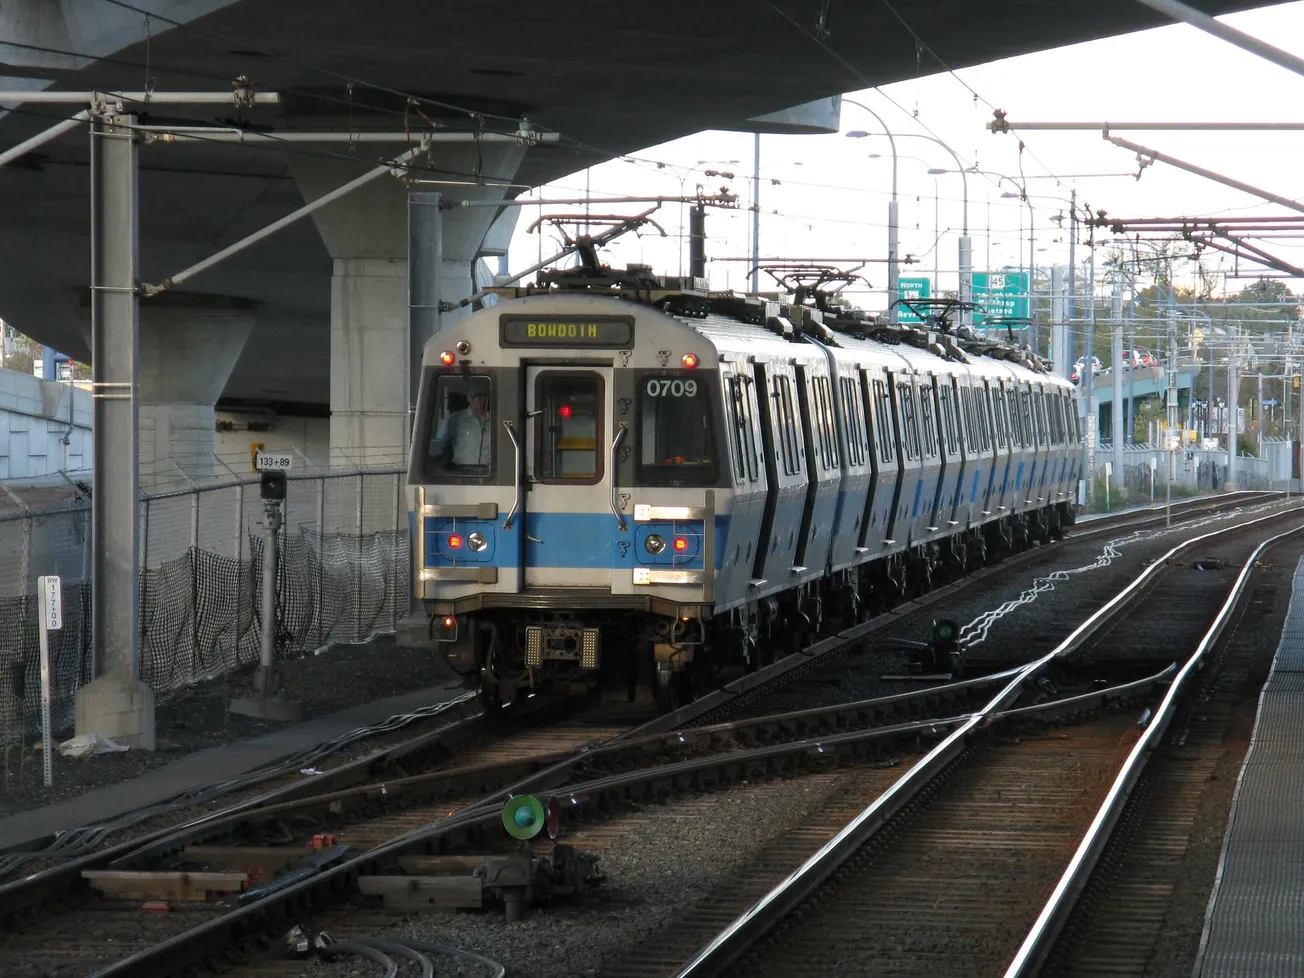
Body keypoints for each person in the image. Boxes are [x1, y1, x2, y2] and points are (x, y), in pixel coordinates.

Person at [431, 390, 492, 469]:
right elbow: (441, 444)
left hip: (489, 473)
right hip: (462, 473)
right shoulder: (455, 419)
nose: (478, 399)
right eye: (474, 396)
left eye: (481, 395)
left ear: (487, 397)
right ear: (468, 398)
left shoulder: (495, 420)